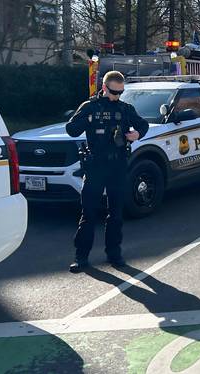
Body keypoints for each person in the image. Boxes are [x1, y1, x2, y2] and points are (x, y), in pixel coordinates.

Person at [66, 71, 149, 273]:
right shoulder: (90, 107)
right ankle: (81, 257)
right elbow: (71, 129)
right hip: (96, 166)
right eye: (113, 92)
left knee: (116, 213)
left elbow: (143, 125)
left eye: (121, 92)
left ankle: (114, 254)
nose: (117, 96)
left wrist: (136, 134)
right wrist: (88, 118)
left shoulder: (125, 108)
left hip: (118, 166)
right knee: (89, 213)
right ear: (104, 88)